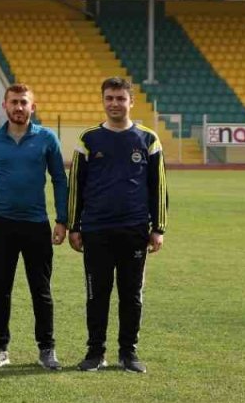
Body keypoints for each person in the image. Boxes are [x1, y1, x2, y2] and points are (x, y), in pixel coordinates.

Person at [68, 76, 169, 373]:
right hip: (96, 230)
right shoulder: (88, 138)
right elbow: (76, 185)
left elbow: (158, 187)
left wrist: (158, 228)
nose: (115, 103)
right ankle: (95, 352)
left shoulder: (148, 139)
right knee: (96, 294)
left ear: (131, 102)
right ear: (103, 100)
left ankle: (128, 353)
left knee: (131, 294)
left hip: (134, 229)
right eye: (109, 98)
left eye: (120, 98)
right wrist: (75, 225)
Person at [0, 83, 68, 370]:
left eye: (23, 103)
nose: (18, 107)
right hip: (1, 225)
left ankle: (47, 348)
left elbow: (59, 180)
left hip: (36, 225)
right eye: (14, 102)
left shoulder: (47, 138)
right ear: (5, 105)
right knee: (0, 289)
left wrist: (62, 219)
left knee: (41, 290)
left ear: (33, 106)